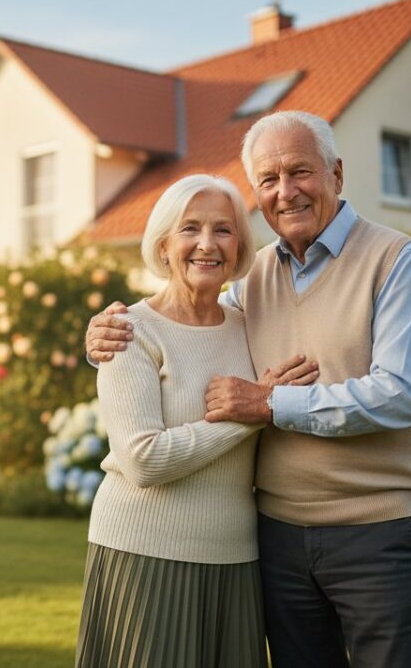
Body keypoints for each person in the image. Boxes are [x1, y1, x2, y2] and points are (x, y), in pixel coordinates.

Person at [86, 110, 411, 668]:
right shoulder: (253, 283)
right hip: (276, 539)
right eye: (268, 180)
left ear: (336, 173)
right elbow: (187, 324)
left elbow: (400, 391)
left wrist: (270, 403)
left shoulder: (396, 259)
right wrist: (100, 334)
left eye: (300, 172)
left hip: (375, 534)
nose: (286, 192)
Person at [75, 173, 316, 668]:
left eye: (224, 230)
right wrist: (253, 413)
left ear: (240, 248)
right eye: (190, 229)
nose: (207, 244)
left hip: (236, 556)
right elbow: (142, 460)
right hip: (146, 552)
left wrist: (264, 403)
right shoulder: (128, 331)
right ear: (164, 245)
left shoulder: (251, 326)